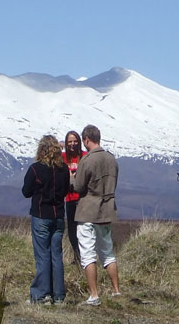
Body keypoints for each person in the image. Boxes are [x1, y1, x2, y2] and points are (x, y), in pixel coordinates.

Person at [72, 124, 121, 305]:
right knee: (108, 253)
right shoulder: (111, 159)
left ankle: (94, 295)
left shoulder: (87, 160)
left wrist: (72, 177)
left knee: (88, 254)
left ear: (86, 139)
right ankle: (116, 290)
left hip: (88, 212)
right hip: (107, 211)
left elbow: (78, 187)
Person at [22, 135, 69, 305]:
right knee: (56, 255)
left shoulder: (36, 169)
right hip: (58, 217)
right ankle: (58, 295)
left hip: (41, 215)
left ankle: (41, 294)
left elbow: (26, 192)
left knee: (42, 255)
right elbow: (65, 191)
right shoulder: (64, 169)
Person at [61, 131, 84, 265]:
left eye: (75, 141)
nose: (72, 144)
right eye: (69, 141)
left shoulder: (84, 156)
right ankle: (77, 256)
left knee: (83, 229)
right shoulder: (63, 157)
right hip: (69, 199)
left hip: (82, 199)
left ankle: (84, 257)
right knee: (71, 230)